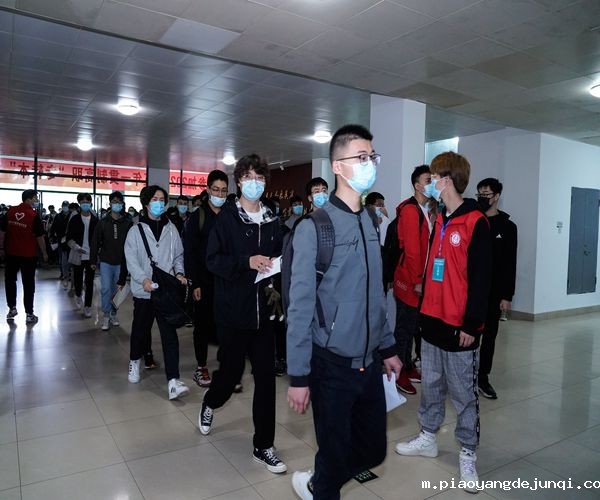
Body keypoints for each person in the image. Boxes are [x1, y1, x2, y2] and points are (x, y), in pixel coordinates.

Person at [287, 124, 402, 500]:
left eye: (372, 157)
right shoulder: (314, 227)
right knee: (335, 456)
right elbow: (300, 307)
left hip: (369, 362)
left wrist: (388, 346)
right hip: (331, 366)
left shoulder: (369, 219)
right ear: (338, 166)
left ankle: (321, 480)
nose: (370, 164)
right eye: (361, 157)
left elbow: (374, 294)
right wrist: (299, 376)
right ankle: (323, 485)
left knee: (373, 451)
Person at [395, 152, 492, 493]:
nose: (431, 183)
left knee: (463, 393)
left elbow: (481, 280)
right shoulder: (439, 218)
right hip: (432, 319)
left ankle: (467, 452)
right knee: (432, 385)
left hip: (459, 325)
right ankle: (428, 435)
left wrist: (472, 325)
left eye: (434, 177)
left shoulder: (475, 222)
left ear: (447, 180)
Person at [198, 154, 287, 474]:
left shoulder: (272, 218)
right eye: (249, 177)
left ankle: (264, 446)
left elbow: (279, 257)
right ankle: (210, 402)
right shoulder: (227, 219)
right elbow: (213, 260)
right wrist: (246, 262)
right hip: (234, 311)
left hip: (264, 312)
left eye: (260, 178)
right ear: (239, 182)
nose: (255, 183)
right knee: (230, 376)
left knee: (265, 379)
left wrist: (277, 269)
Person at [124, 185, 190, 400]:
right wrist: (143, 279)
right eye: (155, 199)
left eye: (162, 199)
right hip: (145, 291)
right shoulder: (135, 231)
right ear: (146, 203)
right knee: (140, 330)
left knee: (169, 335)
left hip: (166, 291)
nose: (159, 203)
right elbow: (131, 260)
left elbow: (178, 255)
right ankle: (135, 361)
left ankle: (173, 381)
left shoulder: (172, 229)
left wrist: (179, 273)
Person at [183, 170, 229, 387]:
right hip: (204, 282)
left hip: (226, 282)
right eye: (216, 190)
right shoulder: (197, 218)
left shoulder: (231, 216)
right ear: (208, 190)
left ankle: (228, 368)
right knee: (202, 325)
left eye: (223, 191)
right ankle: (201, 367)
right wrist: (195, 283)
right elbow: (190, 253)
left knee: (227, 325)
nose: (219, 194)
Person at [392, 165, 432, 395]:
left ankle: (407, 365)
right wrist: (418, 279)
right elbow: (412, 250)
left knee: (412, 326)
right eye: (428, 181)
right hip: (409, 279)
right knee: (404, 328)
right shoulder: (410, 210)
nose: (432, 184)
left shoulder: (424, 209)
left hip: (418, 279)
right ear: (417, 186)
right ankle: (397, 374)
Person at [476, 178, 517, 400]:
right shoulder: (474, 220)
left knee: (489, 337)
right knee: (469, 334)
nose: (483, 198)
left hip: (494, 292)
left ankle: (483, 377)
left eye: (486, 195)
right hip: (473, 290)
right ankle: (464, 375)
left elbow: (510, 263)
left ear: (497, 196)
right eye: (480, 195)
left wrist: (507, 295)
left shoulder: (508, 227)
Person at [0, 189, 47, 324]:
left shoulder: (10, 212)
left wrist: (1, 248)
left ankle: (12, 308)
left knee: (10, 281)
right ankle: (29, 313)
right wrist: (44, 252)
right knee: (28, 284)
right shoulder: (33, 215)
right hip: (28, 255)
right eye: (35, 198)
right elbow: (39, 237)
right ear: (29, 199)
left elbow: (2, 232)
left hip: (11, 253)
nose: (36, 201)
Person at [90, 191, 132, 331]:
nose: (117, 204)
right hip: (106, 261)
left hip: (121, 262)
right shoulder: (103, 222)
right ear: (110, 203)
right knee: (106, 288)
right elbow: (95, 242)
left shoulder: (127, 223)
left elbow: (131, 244)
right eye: (114, 202)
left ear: (122, 204)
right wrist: (93, 260)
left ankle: (114, 313)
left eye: (119, 202)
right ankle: (106, 315)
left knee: (117, 290)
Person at [66, 193, 98, 318]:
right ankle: (78, 294)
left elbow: (99, 238)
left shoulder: (95, 220)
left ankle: (88, 306)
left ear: (91, 203)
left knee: (89, 282)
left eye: (87, 202)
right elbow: (69, 237)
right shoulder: (75, 219)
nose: (85, 204)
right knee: (78, 280)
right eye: (83, 202)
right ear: (79, 203)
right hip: (78, 254)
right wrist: (76, 247)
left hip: (91, 255)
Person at [50, 200, 72, 287]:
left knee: (70, 257)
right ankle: (63, 273)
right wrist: (52, 236)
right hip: (60, 239)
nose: (65, 207)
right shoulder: (58, 216)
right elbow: (53, 227)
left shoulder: (72, 215)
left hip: (70, 240)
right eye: (64, 205)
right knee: (62, 257)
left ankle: (69, 273)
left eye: (66, 205)